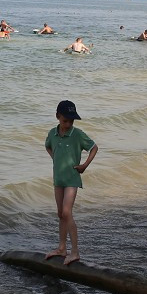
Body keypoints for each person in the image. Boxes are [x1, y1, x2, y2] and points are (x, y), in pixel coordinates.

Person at [44, 100, 99, 266]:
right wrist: (56, 159)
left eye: (71, 121)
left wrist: (84, 165)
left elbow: (94, 147)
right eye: (65, 120)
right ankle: (62, 248)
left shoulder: (77, 134)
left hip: (72, 179)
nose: (68, 124)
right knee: (60, 213)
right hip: (58, 179)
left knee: (67, 212)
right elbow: (47, 146)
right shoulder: (52, 133)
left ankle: (75, 252)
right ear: (57, 117)